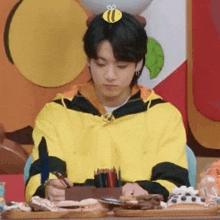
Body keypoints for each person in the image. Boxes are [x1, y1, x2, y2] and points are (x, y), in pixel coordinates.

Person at [25, 11, 190, 203]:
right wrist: (49, 188)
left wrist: (146, 190)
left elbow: (175, 183)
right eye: (101, 64)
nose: (110, 75)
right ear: (88, 60)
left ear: (139, 64)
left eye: (121, 66)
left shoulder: (163, 115)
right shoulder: (56, 113)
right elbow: (41, 176)